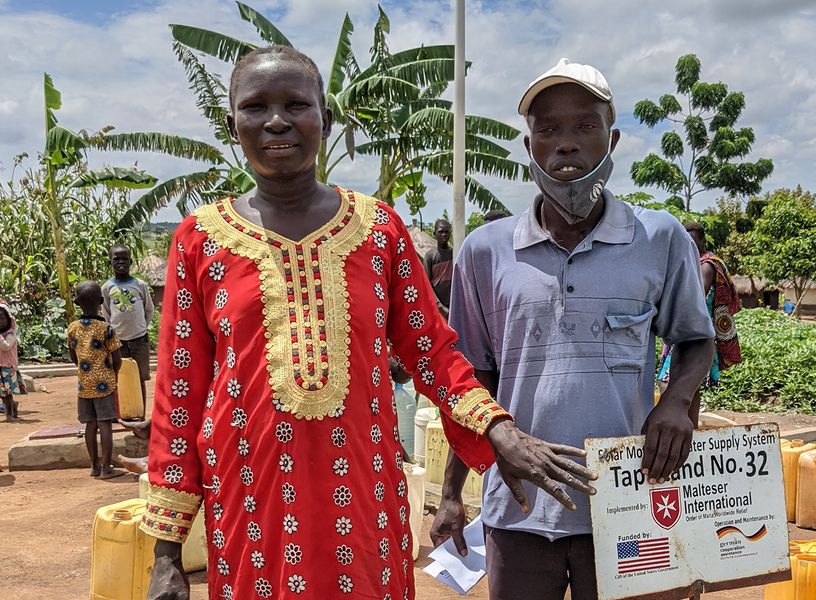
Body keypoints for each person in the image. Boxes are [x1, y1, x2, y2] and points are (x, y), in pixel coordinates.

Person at [142, 46, 595, 600]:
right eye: (255, 107)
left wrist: (498, 429)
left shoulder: (378, 230)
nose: (277, 121)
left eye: (296, 104)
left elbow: (433, 352)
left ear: (324, 119)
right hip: (250, 503)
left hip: (359, 494)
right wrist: (167, 553)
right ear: (232, 122)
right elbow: (178, 395)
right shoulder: (199, 239)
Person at [430, 58, 716, 600]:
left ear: (611, 139)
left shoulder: (660, 238)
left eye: (585, 126)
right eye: (549, 130)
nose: (566, 144)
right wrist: (451, 492)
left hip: (632, 503)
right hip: (518, 510)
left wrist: (676, 401)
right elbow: (470, 383)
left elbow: (696, 338)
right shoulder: (485, 252)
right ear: (530, 146)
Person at [658, 222, 742, 416]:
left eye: (694, 242)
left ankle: (672, 426)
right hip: (692, 331)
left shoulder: (706, 266)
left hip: (693, 334)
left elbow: (694, 297)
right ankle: (691, 432)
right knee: (689, 385)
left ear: (703, 242)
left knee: (668, 382)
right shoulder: (692, 262)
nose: (691, 246)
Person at [68, 281, 125, 479]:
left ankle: (94, 466)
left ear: (76, 302)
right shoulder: (106, 328)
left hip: (83, 384)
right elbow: (117, 359)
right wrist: (113, 376)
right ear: (101, 300)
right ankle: (107, 468)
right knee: (105, 425)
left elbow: (73, 357)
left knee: (90, 426)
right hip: (104, 384)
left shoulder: (72, 328)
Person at [102, 244, 154, 418]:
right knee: (121, 377)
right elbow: (107, 313)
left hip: (140, 340)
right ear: (110, 262)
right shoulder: (107, 287)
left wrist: (141, 328)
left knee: (139, 378)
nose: (121, 262)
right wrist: (114, 333)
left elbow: (149, 310)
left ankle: (140, 414)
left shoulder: (140, 285)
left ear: (131, 261)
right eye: (117, 259)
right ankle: (124, 413)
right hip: (118, 341)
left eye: (125, 258)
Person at [423, 218, 453, 318]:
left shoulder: (455, 252)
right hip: (438, 307)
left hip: (454, 304)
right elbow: (427, 284)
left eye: (446, 232)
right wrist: (440, 306)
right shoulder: (430, 256)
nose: (444, 235)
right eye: (440, 232)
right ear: (434, 233)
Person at [0, 300, 25, 421]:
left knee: (8, 393)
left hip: (8, 367)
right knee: (2, 393)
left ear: (9, 320)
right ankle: (12, 407)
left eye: (2, 319)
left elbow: (5, 346)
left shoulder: (10, 334)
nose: (0, 322)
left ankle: (9, 414)